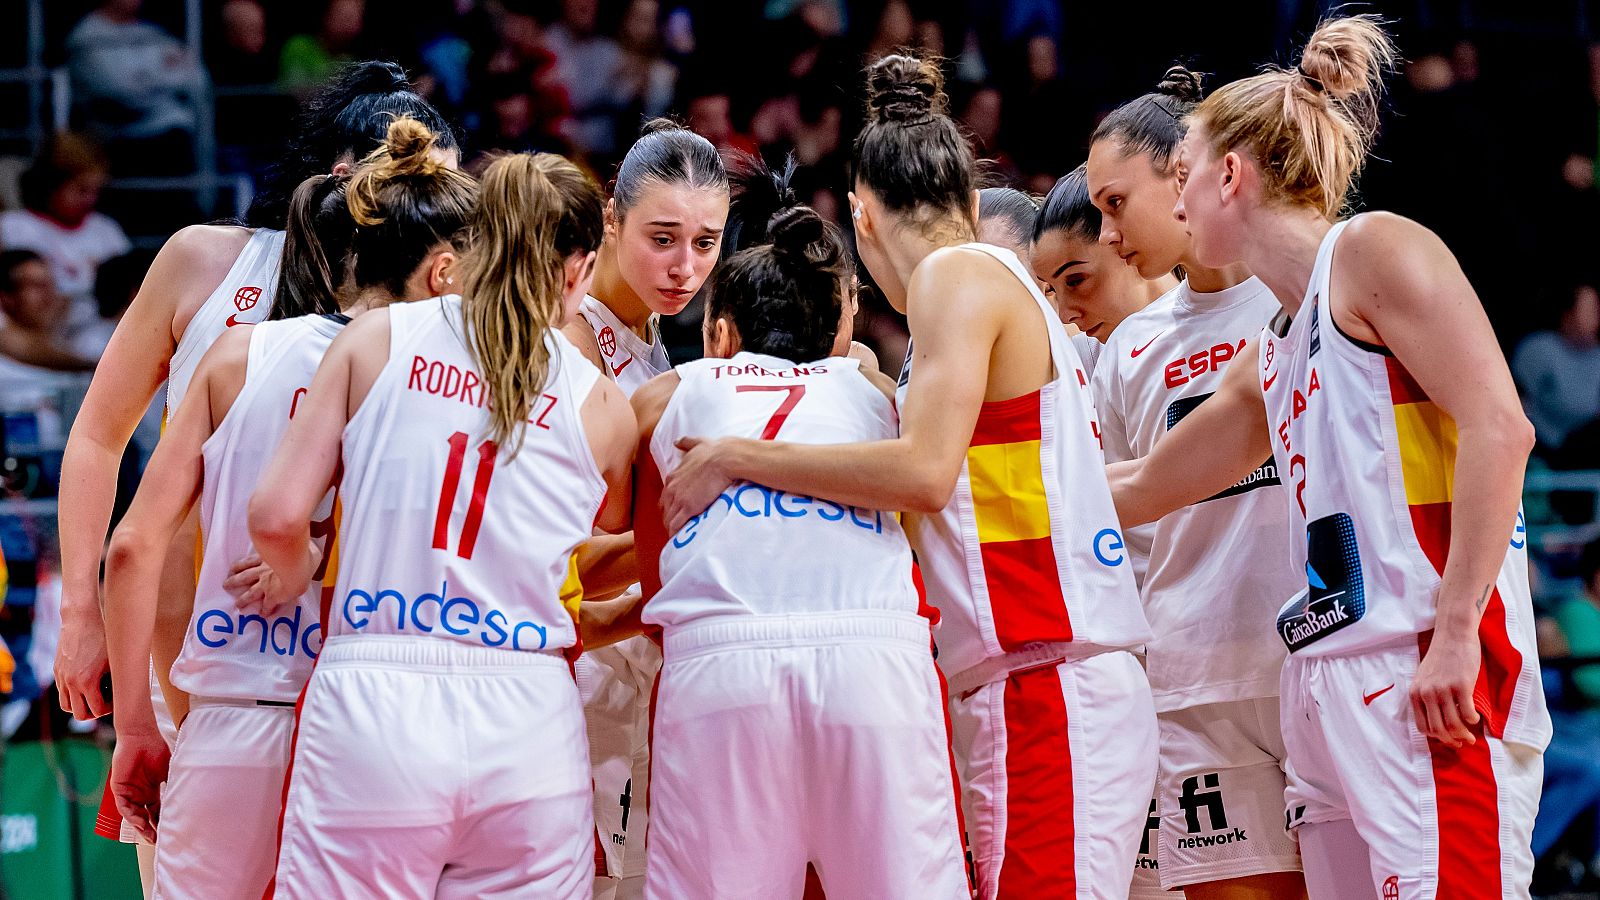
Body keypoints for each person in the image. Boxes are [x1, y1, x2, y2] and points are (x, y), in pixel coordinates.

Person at [661, 53, 1156, 899]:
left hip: (1047, 681)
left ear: (861, 213)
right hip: (1032, 682)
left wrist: (738, 455)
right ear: (963, 199)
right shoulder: (975, 293)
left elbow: (924, 474)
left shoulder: (953, 275)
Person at [1113, 16, 1551, 898]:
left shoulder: (1375, 250)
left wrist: (1458, 629)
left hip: (1425, 663)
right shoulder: (1275, 343)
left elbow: (1503, 428)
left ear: (1230, 173)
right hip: (1322, 681)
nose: (1177, 202)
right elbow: (1146, 486)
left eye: (1184, 175)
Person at [53, 61, 454, 889]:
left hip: (364, 673)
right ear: (350, 179)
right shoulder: (207, 261)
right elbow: (97, 436)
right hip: (199, 677)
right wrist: (81, 614)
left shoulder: (439, 316)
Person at [249, 150, 628, 898]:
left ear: (470, 244)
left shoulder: (377, 338)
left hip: (378, 689)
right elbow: (614, 539)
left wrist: (294, 567)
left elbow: (276, 514)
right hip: (528, 710)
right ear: (581, 270)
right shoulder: (603, 405)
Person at [631, 157, 967, 900]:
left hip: (723, 671)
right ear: (842, 323)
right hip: (872, 661)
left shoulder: (668, 392)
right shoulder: (877, 393)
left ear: (719, 334)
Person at [1085, 68, 1306, 900]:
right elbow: (1121, 525)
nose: (1108, 234)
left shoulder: (1303, 296)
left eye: (1115, 203)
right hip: (1193, 674)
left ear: (1184, 173)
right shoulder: (1130, 346)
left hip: (1319, 654)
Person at [559, 118, 728, 900]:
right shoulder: (569, 338)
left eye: (705, 242)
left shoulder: (655, 339)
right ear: (609, 222)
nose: (684, 265)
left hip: (643, 651)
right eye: (662, 238)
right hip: (583, 656)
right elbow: (565, 550)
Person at [1029, 164, 1176, 383]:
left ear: (1123, 239)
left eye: (1076, 280)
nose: (1065, 315)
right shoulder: (1075, 365)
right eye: (1052, 289)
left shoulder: (1230, 319)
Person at [0, 132, 131, 322]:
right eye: (82, 190)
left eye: (96, 190)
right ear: (51, 184)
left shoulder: (107, 230)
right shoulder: (12, 228)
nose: (91, 199)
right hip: (37, 339)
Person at [1511, 281, 1600, 459]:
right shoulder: (1537, 349)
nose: (1593, 318)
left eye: (1596, 310)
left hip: (1586, 444)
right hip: (1539, 443)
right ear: (1567, 314)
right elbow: (1518, 402)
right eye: (1587, 310)